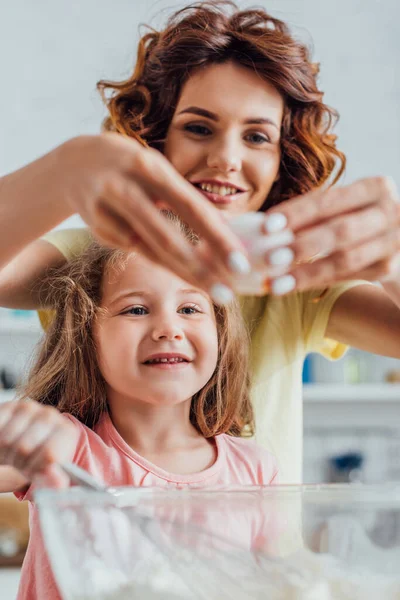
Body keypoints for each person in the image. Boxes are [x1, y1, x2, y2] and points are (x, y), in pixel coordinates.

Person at [1, 1, 400, 482]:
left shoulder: (295, 282)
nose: (226, 158)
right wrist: (61, 173)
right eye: (198, 128)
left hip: (261, 559)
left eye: (256, 137)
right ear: (156, 138)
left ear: (283, 160)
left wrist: (392, 263)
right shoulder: (98, 252)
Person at [0, 212, 279, 600]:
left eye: (189, 309)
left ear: (220, 333)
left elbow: (271, 585)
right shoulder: (65, 448)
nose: (169, 328)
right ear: (87, 336)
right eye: (136, 309)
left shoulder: (256, 470)